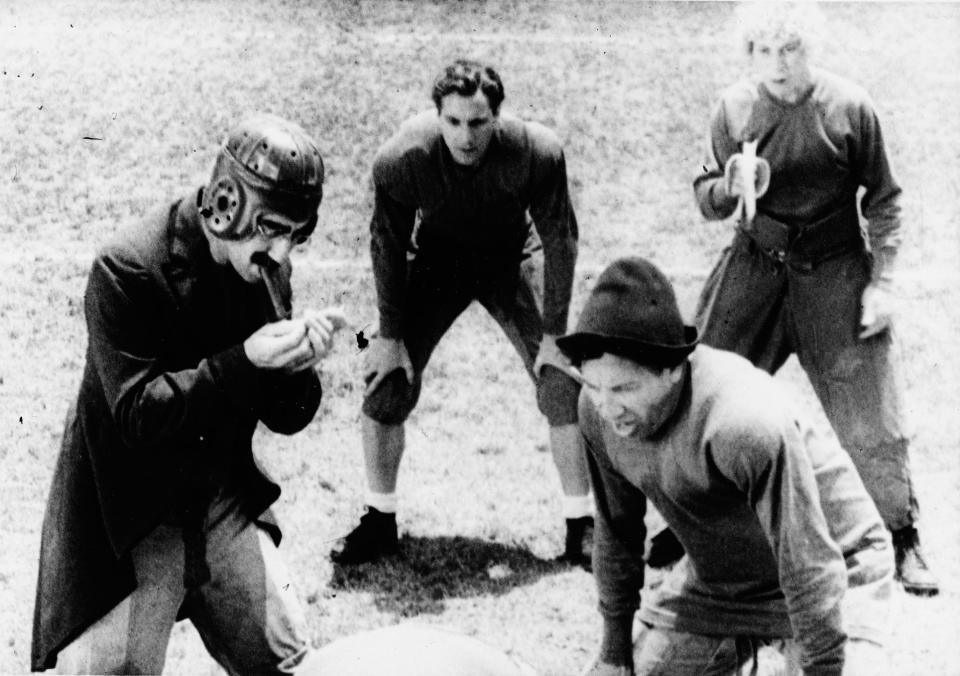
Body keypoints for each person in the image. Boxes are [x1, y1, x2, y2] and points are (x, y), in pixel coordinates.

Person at [31, 114, 347, 674]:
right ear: (228, 203)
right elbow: (137, 414)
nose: (283, 252)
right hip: (133, 513)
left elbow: (288, 415)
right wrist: (245, 362)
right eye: (272, 228)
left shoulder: (266, 269)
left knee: (290, 662)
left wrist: (296, 369)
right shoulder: (127, 266)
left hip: (215, 500)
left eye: (296, 235)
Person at [690, 1, 937, 595]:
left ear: (812, 48)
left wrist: (883, 283)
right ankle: (693, 521)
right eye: (764, 50)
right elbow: (704, 196)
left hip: (834, 270)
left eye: (790, 48)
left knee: (869, 407)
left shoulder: (849, 106)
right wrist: (728, 185)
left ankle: (900, 534)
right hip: (755, 267)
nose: (777, 63)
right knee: (704, 382)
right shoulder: (735, 107)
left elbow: (885, 199)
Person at [558, 257, 894, 675]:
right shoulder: (596, 413)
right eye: (594, 385)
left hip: (839, 567)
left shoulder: (742, 423)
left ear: (671, 368)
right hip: (722, 583)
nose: (608, 406)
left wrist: (824, 667)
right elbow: (616, 531)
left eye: (625, 388)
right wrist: (613, 653)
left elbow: (810, 564)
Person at [330, 59, 593, 567]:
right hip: (439, 262)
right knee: (387, 384)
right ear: (437, 117)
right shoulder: (404, 156)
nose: (465, 136)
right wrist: (389, 334)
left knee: (561, 380)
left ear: (497, 117)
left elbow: (561, 240)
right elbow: (386, 241)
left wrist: (555, 334)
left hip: (510, 257)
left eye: (477, 122)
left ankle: (581, 524)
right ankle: (380, 520)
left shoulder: (535, 152)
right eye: (452, 122)